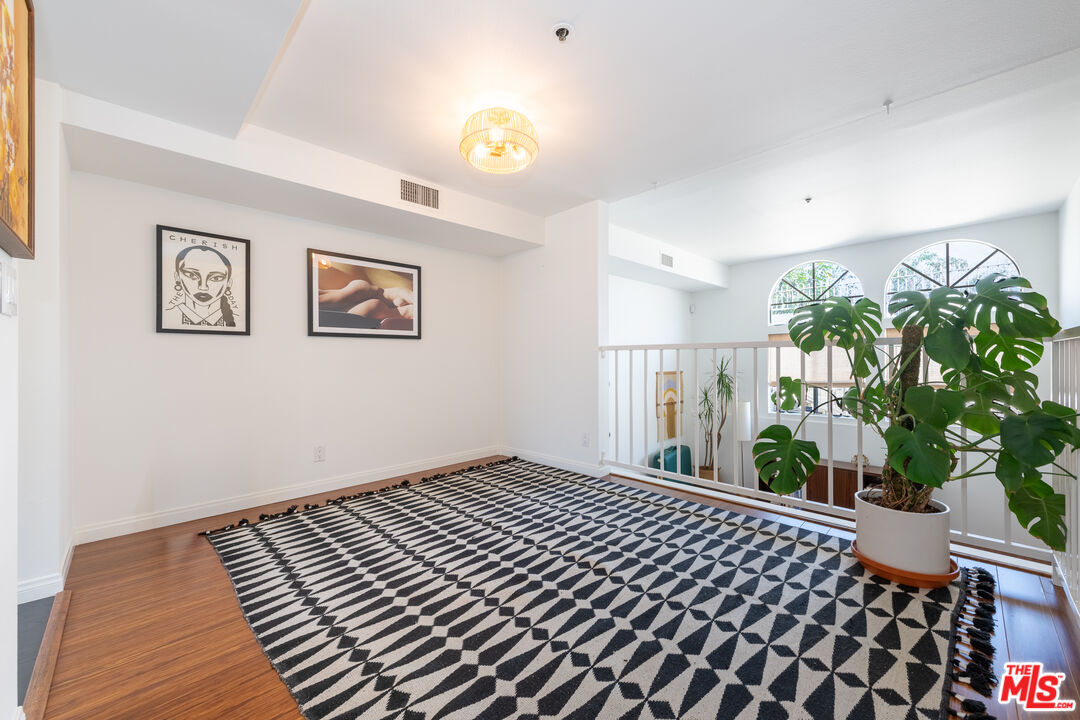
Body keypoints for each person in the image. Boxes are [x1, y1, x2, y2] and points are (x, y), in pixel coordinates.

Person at [165, 246, 238, 327]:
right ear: (177, 277)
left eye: (216, 278)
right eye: (191, 275)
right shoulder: (168, 316)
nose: (203, 287)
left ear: (228, 283)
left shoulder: (237, 322)